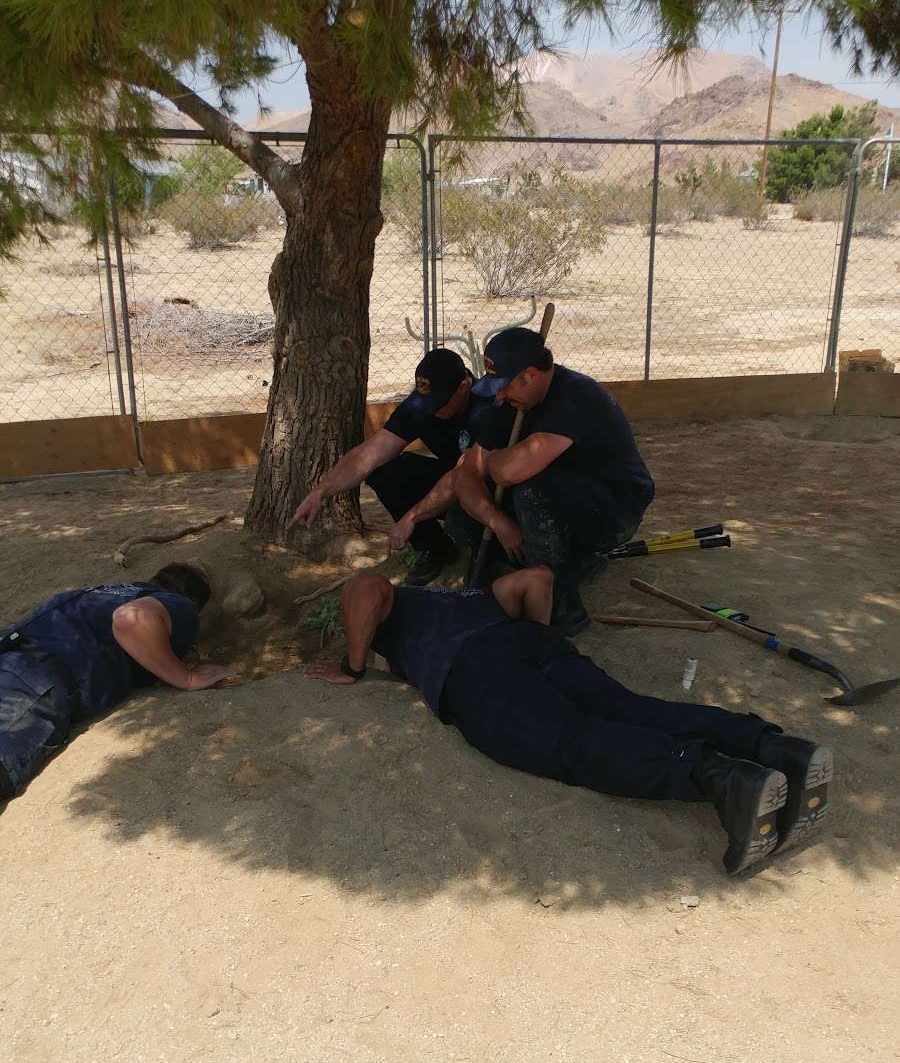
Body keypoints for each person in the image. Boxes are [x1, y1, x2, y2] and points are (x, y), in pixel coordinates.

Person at [304, 566, 832, 876]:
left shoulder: (391, 602)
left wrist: (354, 666)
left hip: (478, 672)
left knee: (571, 742)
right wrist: (540, 651)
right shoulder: (464, 597)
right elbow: (536, 578)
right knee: (630, 708)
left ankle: (721, 778)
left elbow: (365, 587)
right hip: (530, 644)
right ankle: (775, 748)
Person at [393, 328, 656, 634]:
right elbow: (465, 475)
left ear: (530, 376)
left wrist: (489, 461)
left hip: (614, 508)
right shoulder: (512, 402)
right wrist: (497, 521)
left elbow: (508, 472)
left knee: (532, 491)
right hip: (564, 497)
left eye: (504, 386)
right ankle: (572, 564)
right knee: (461, 518)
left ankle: (563, 606)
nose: (500, 395)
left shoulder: (576, 397)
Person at [0, 564, 234, 802]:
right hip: (30, 682)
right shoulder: (178, 604)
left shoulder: (95, 593)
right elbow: (130, 619)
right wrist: (187, 677)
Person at [288, 348, 475, 586]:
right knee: (385, 472)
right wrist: (321, 492)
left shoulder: (486, 406)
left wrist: (412, 516)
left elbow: (464, 474)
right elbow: (368, 455)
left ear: (464, 386)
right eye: (427, 402)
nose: (432, 410)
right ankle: (435, 548)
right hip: (453, 483)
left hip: (486, 487)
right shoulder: (420, 406)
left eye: (439, 403)